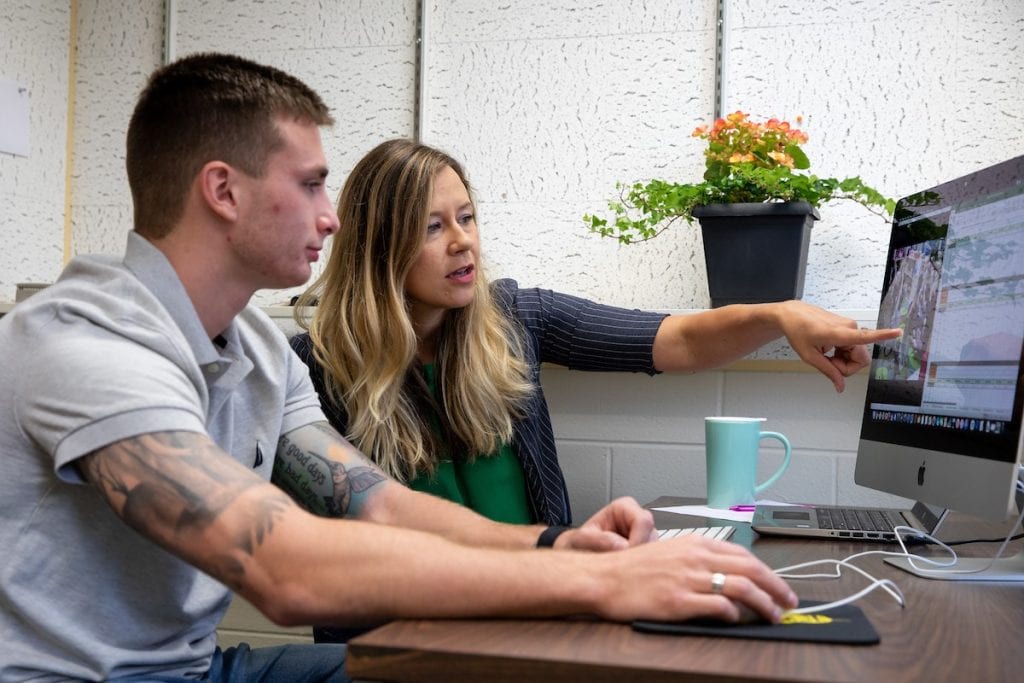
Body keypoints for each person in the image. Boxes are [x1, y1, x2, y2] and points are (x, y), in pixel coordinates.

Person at [0, 53, 803, 682]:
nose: (332, 215)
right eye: (311, 183)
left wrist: (560, 549)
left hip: (199, 667)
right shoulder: (85, 340)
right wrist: (601, 586)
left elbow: (376, 504)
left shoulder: (252, 349)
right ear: (223, 191)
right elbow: (282, 569)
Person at [290, 138, 901, 643]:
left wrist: (778, 315)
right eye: (432, 227)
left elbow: (677, 341)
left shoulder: (516, 320)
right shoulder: (312, 372)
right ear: (378, 247)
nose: (462, 241)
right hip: (399, 645)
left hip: (545, 620)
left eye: (467, 217)